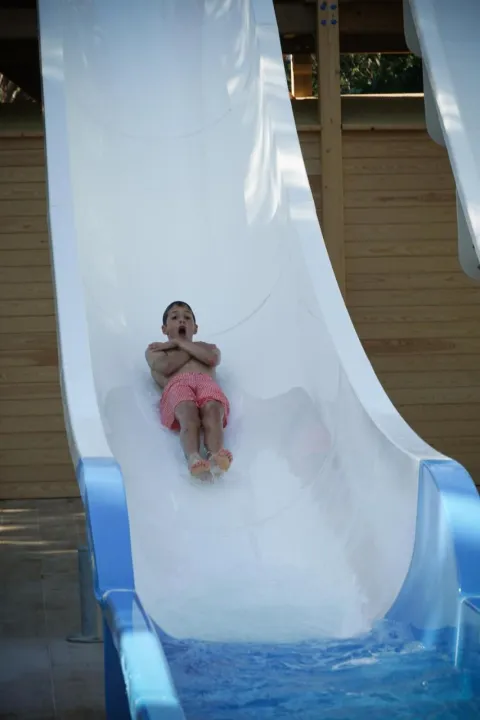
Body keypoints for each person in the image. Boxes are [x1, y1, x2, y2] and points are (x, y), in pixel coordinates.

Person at [145, 301, 233, 477]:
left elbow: (211, 359)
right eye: (174, 317)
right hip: (177, 384)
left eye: (187, 317)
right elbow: (166, 367)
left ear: (195, 328)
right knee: (187, 411)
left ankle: (216, 453)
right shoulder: (156, 349)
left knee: (213, 409)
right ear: (164, 329)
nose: (182, 320)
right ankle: (193, 457)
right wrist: (183, 345)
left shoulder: (208, 347)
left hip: (206, 382)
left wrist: (179, 343)